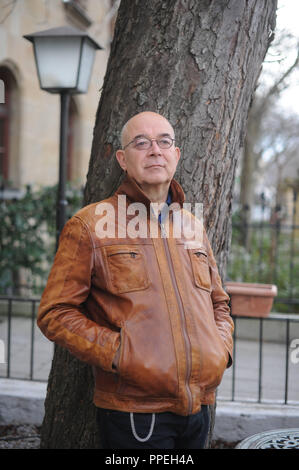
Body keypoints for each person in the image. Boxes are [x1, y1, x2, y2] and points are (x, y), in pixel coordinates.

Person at [37, 111, 234, 449]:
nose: (155, 150)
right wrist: (120, 353)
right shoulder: (90, 225)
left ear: (176, 155)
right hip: (135, 414)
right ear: (122, 159)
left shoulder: (192, 226)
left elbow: (219, 302)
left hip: (200, 406)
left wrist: (221, 350)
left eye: (164, 142)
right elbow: (54, 312)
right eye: (141, 143)